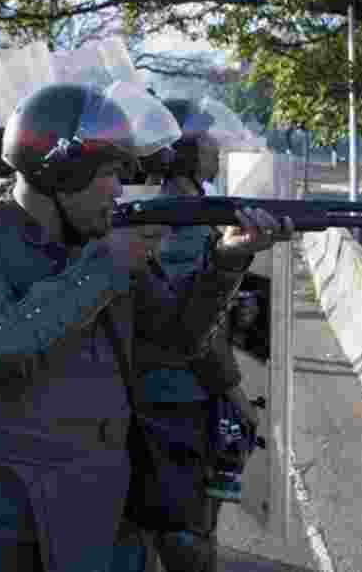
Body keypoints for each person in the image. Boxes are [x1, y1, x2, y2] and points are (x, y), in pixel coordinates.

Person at [0, 81, 294, 572]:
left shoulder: (100, 243)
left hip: (104, 505)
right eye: (109, 173)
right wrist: (107, 266)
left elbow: (176, 341)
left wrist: (227, 261)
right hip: (1, 511)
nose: (119, 189)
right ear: (63, 170)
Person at [129, 98, 261, 571]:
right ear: (184, 149)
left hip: (174, 388)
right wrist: (235, 392)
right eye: (205, 141)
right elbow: (187, 325)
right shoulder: (181, 219)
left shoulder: (189, 206)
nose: (214, 149)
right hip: (177, 393)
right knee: (187, 525)